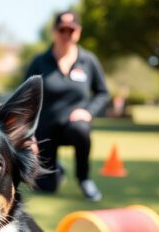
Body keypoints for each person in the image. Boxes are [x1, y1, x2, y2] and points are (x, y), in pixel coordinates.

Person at [26, 11, 109, 201]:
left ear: (78, 32)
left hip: (73, 126)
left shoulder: (88, 61)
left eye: (71, 30)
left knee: (81, 130)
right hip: (44, 130)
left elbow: (103, 93)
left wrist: (88, 112)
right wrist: (29, 135)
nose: (66, 34)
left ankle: (84, 179)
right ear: (54, 32)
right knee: (46, 188)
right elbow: (26, 100)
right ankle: (57, 170)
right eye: (61, 29)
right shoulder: (39, 62)